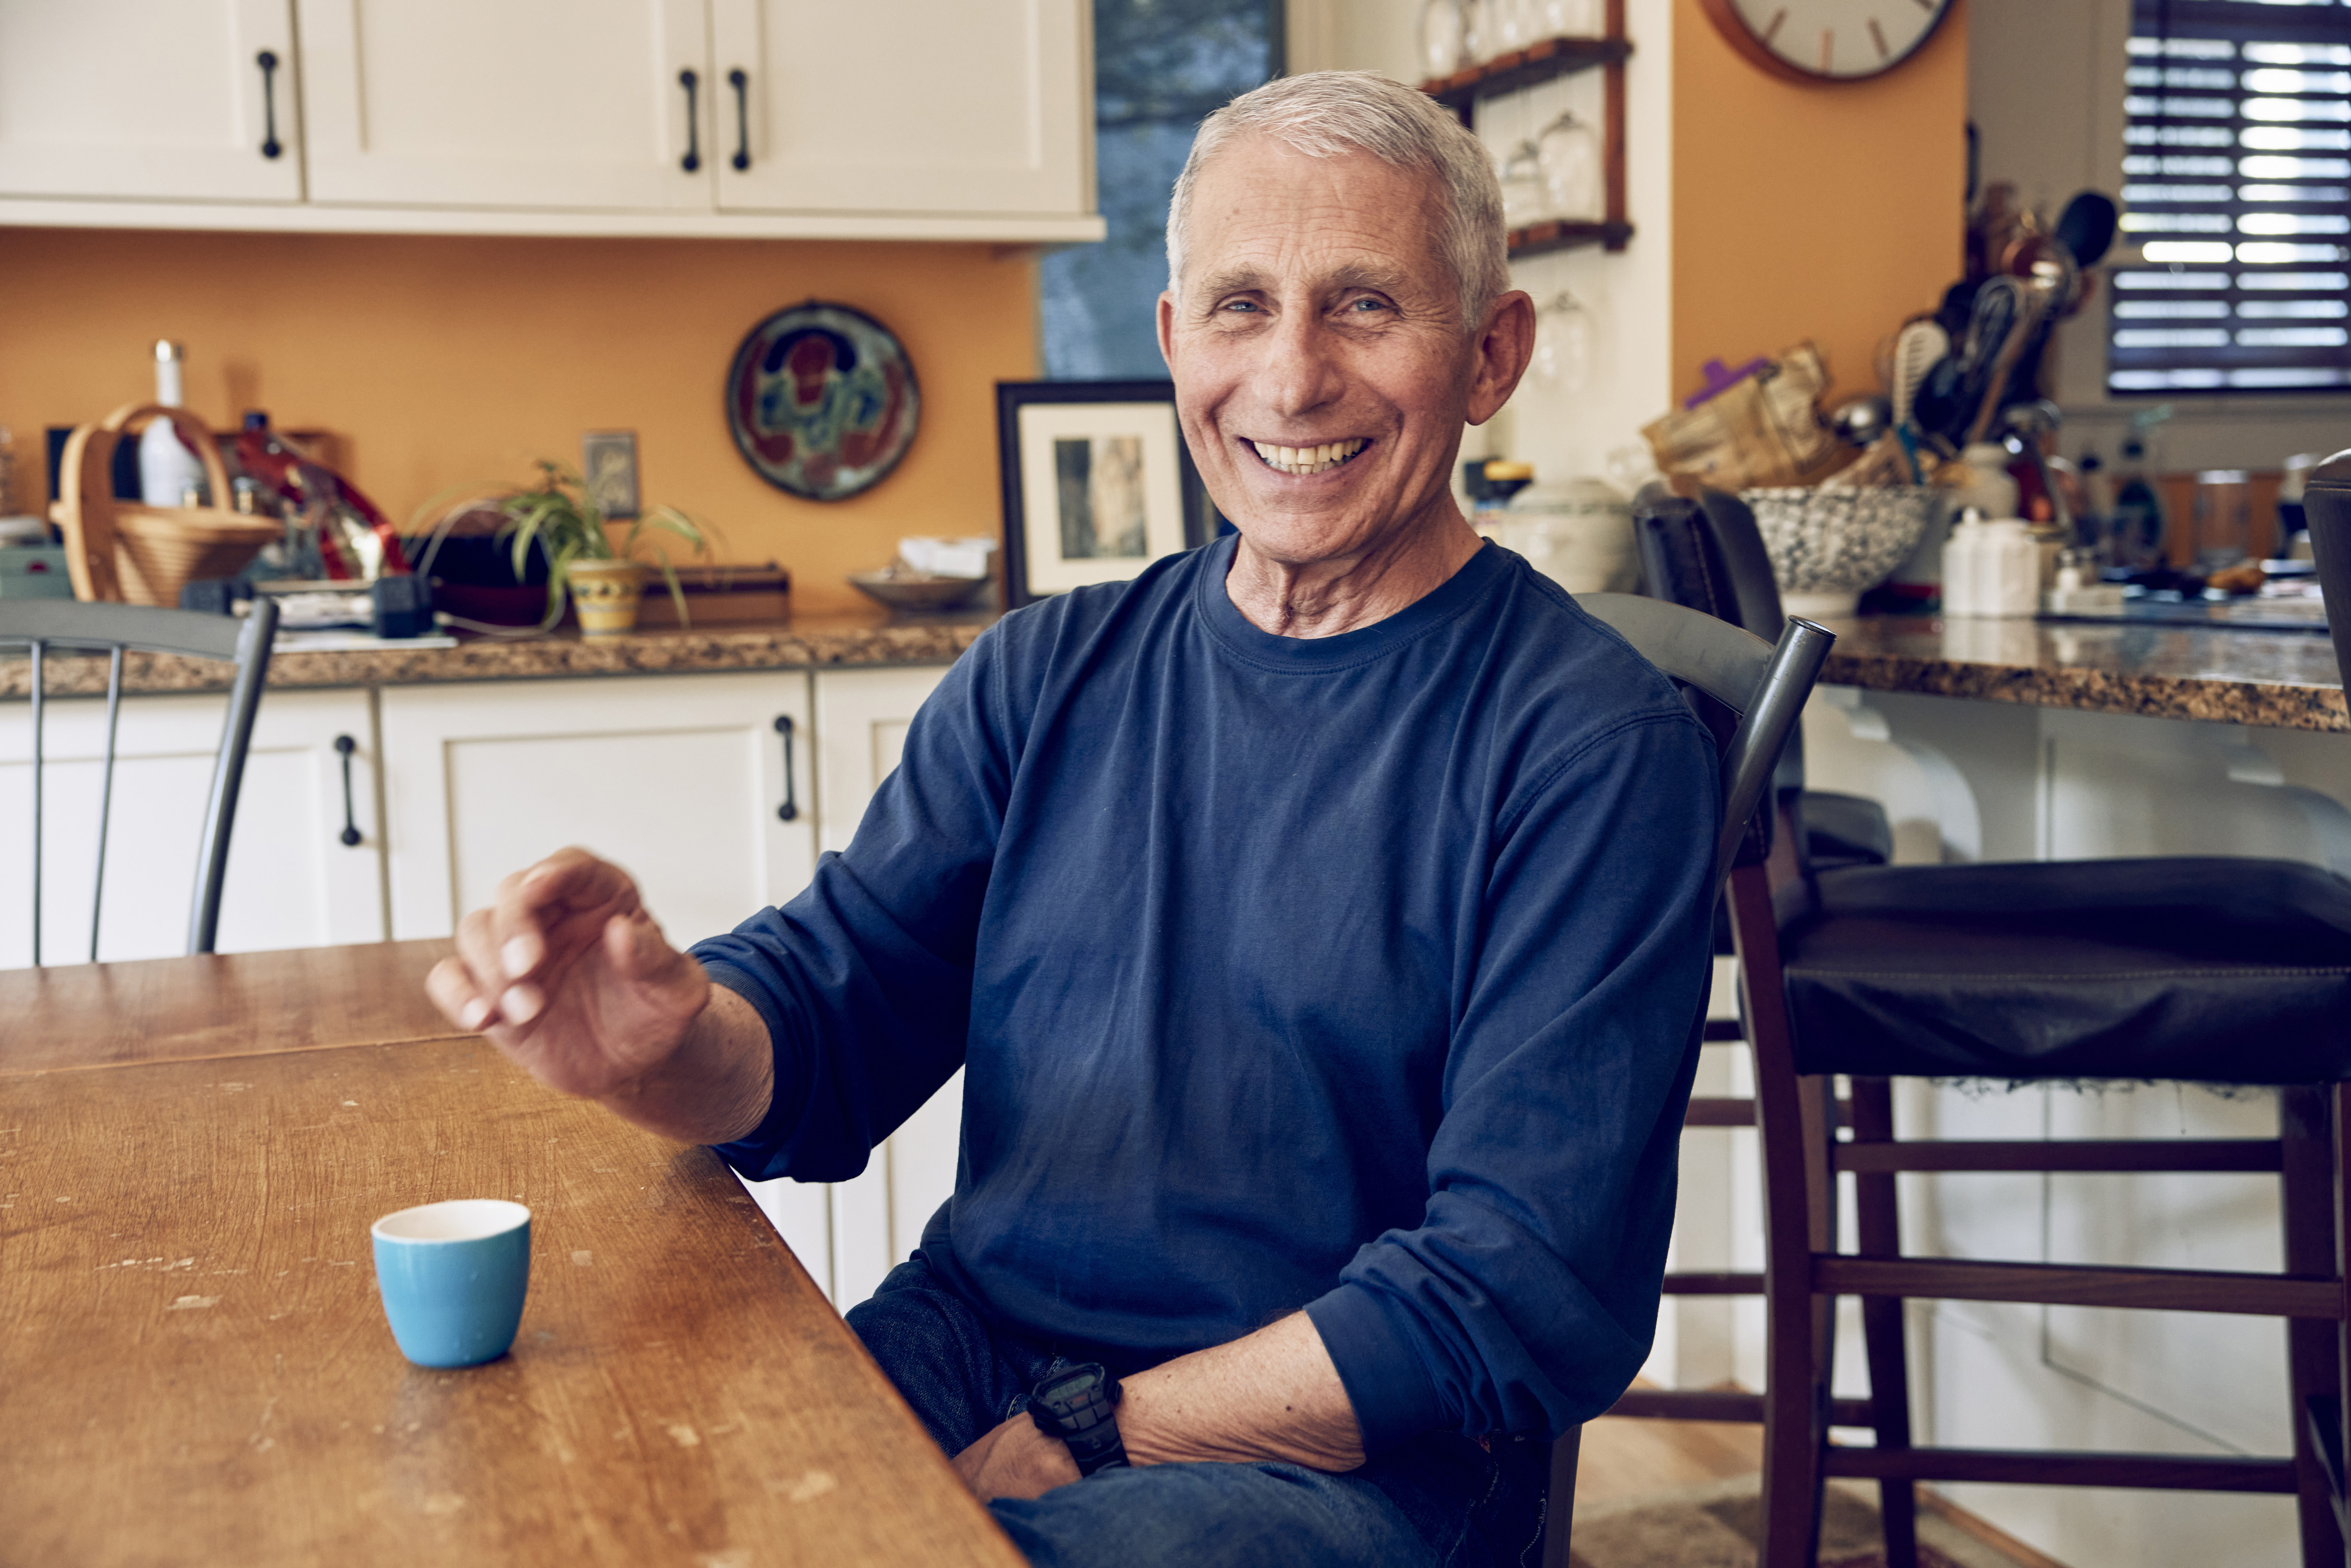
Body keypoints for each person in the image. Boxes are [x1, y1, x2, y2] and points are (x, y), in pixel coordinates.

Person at [427, 70, 1719, 1568]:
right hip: (976, 1336)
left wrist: (1099, 1431)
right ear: (1174, 344)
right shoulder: (1046, 674)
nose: (1291, 378)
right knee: (613, 1501)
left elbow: (1513, 1288)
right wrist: (666, 1045)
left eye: (1364, 305)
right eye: (1239, 305)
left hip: (1358, 1463)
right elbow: (831, 1024)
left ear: (1491, 350)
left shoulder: (1590, 747)